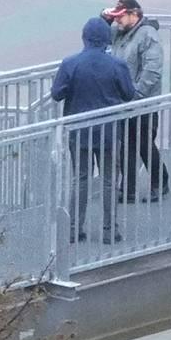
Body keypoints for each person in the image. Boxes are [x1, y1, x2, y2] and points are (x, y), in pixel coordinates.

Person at [52, 17, 137, 245]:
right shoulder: (117, 65)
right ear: (107, 39)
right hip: (109, 131)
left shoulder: (70, 63)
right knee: (109, 180)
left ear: (84, 38)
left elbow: (57, 93)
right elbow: (129, 93)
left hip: (79, 132)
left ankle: (73, 229)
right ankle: (110, 231)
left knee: (80, 179)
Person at [102, 0, 168, 202]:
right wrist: (104, 19)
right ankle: (128, 189)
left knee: (143, 144)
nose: (117, 21)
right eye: (116, 17)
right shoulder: (119, 32)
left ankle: (160, 181)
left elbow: (152, 70)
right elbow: (99, 35)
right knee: (126, 145)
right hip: (124, 101)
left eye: (121, 17)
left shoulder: (148, 35)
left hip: (143, 103)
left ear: (134, 15)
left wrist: (136, 95)